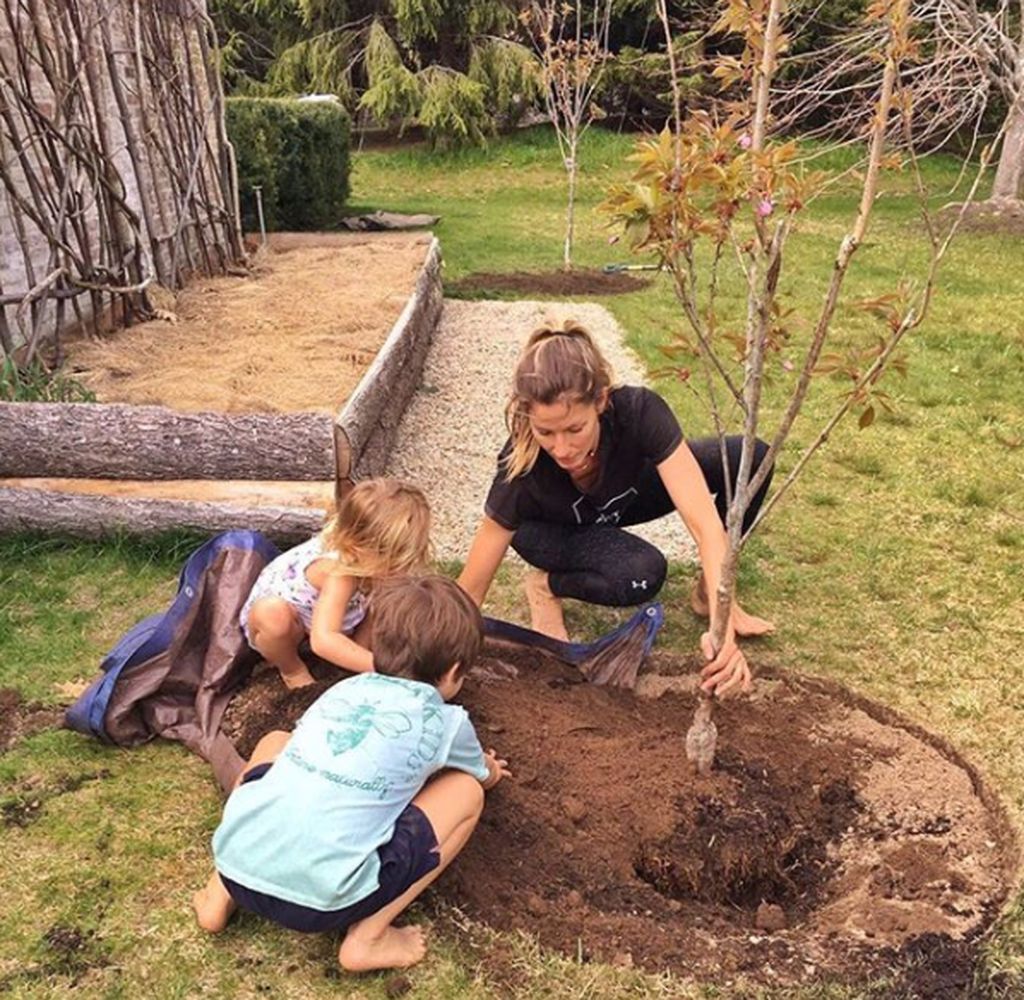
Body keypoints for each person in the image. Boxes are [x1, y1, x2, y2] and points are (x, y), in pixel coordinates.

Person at [193, 574, 510, 973]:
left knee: (276, 742)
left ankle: (217, 892)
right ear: (454, 670)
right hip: (325, 902)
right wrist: (491, 771)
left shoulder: (344, 691)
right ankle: (368, 938)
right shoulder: (447, 722)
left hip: (236, 864)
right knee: (465, 792)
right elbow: (480, 774)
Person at [457, 322, 775, 698]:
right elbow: (469, 593)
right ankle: (545, 586)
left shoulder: (639, 411)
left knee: (749, 458)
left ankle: (706, 591)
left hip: (618, 499)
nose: (561, 449)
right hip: (551, 530)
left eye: (575, 429)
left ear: (602, 401)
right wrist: (432, 659)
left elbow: (704, 523)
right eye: (546, 433)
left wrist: (723, 619)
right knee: (641, 574)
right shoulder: (520, 470)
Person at [240, 478, 431, 688]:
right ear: (359, 546)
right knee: (272, 616)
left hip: (334, 612)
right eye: (393, 559)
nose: (399, 568)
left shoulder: (369, 560)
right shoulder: (339, 573)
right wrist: (385, 669)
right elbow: (323, 640)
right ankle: (292, 670)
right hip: (294, 624)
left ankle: (353, 658)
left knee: (385, 592)